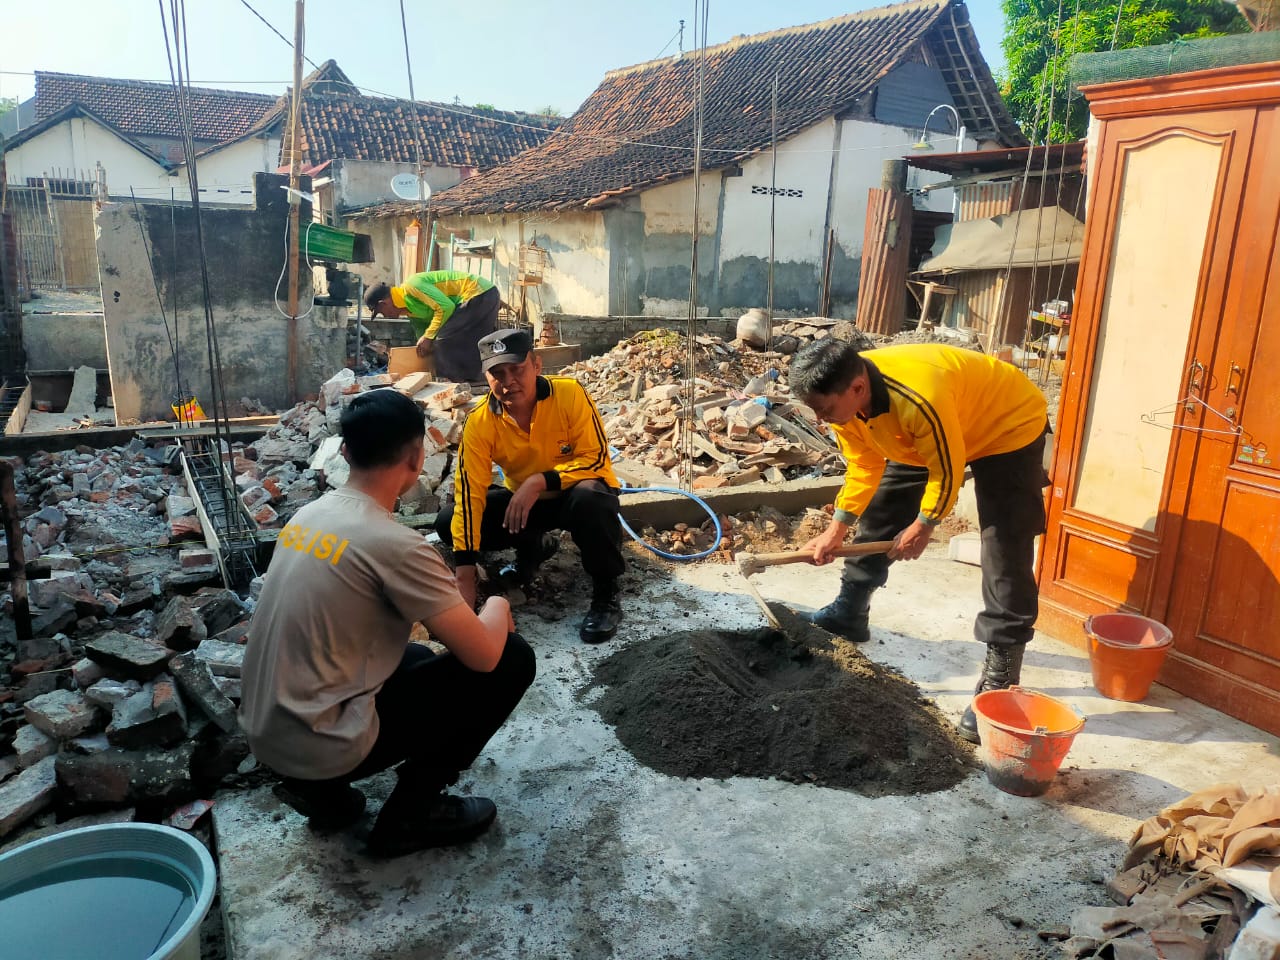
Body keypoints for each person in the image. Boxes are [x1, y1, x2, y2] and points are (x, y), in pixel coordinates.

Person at [240, 388, 536, 858]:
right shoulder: (396, 545)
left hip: (269, 738)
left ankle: (327, 798)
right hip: (321, 747)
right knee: (510, 660)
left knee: (415, 655)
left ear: (344, 452)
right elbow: (482, 656)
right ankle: (410, 816)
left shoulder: (307, 516)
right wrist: (498, 602)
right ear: (417, 457)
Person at [787, 339, 1049, 743]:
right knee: (883, 509)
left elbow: (947, 470)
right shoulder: (845, 404)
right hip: (936, 429)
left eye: (825, 410)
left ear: (857, 388)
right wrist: (837, 527)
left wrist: (925, 524)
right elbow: (863, 464)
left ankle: (1001, 674)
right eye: (815, 411)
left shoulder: (919, 395)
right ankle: (849, 612)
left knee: (1003, 544)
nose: (821, 420)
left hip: (1005, 426)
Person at [435, 328, 625, 644]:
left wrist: (540, 481)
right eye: (497, 373)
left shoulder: (570, 393)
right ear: (486, 375)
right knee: (447, 521)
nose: (508, 381)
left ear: (536, 365)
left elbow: (596, 460)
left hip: (573, 495)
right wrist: (464, 575)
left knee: (593, 499)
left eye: (517, 369)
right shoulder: (480, 421)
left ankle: (606, 595)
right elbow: (470, 493)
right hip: (525, 504)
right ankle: (533, 551)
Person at [365, 270, 500, 382]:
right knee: (476, 342)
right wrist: (423, 346)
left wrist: (429, 338)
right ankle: (482, 379)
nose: (385, 316)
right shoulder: (409, 311)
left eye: (381, 312)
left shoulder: (412, 286)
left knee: (443, 339)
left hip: (478, 292)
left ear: (384, 303)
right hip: (484, 296)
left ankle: (449, 383)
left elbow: (446, 307)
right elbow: (422, 332)